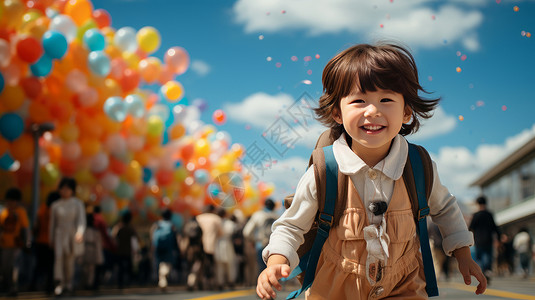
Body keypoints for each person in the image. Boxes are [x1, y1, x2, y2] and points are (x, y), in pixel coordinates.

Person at [257, 43, 487, 299]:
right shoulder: (325, 170)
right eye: (358, 100)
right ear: (337, 113)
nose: (373, 111)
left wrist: (463, 254)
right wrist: (276, 261)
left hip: (404, 284)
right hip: (335, 289)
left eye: (386, 99)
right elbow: (291, 226)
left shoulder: (418, 166)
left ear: (406, 112)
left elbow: (444, 209)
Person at [49, 177, 86, 296]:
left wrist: (79, 233)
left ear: (72, 190)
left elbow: (81, 221)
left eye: (67, 189)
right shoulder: (55, 205)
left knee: (69, 261)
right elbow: (52, 224)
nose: (65, 191)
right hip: (59, 235)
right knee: (58, 259)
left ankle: (68, 283)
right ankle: (59, 284)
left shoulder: (77, 204)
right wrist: (51, 239)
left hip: (72, 235)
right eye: (63, 188)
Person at [0, 187, 31, 297]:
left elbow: (25, 228)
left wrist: (27, 241)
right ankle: (6, 286)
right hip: (4, 244)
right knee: (5, 267)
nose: (9, 203)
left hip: (16, 244)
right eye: (8, 200)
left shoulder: (20, 212)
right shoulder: (4, 212)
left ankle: (13, 287)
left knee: (14, 266)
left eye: (12, 200)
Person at [30, 191, 60, 294]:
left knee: (39, 265)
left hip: (40, 241)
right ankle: (49, 286)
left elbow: (36, 224)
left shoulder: (42, 208)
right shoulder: (55, 209)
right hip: (51, 242)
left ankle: (33, 285)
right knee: (51, 266)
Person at [243, 198, 278, 275]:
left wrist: (253, 241)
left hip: (261, 244)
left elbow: (247, 232)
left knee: (262, 268)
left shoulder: (258, 215)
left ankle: (263, 285)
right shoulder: (277, 216)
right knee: (273, 268)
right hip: (275, 245)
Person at [469, 195, 500, 282]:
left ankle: (483, 272)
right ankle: (487, 271)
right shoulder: (489, 214)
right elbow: (495, 227)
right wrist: (499, 238)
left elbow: (470, 228)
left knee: (479, 257)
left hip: (478, 240)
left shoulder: (475, 215)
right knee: (488, 257)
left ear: (478, 204)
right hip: (488, 240)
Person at [151, 209, 179, 291]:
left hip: (158, 247)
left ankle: (162, 281)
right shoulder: (171, 225)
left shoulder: (157, 224)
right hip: (168, 248)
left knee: (160, 264)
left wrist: (152, 247)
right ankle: (163, 282)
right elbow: (176, 238)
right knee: (167, 265)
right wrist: (177, 249)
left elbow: (153, 236)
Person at [196, 205, 222, 290]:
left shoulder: (198, 218)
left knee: (198, 263)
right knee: (210, 264)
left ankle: (194, 281)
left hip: (197, 245)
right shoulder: (216, 218)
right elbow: (221, 233)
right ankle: (209, 282)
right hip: (210, 245)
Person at [111, 210, 138, 289]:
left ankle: (121, 283)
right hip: (128, 252)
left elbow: (113, 238)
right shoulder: (130, 228)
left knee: (121, 268)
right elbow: (134, 240)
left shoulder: (118, 227)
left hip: (119, 251)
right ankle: (128, 282)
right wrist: (135, 250)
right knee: (129, 268)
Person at [214, 208, 237, 290]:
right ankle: (231, 281)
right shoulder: (229, 223)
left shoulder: (215, 222)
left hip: (217, 244)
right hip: (227, 243)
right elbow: (232, 231)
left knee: (219, 265)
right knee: (230, 264)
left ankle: (220, 282)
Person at [81, 213, 103, 289]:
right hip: (90, 250)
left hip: (87, 250)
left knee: (88, 269)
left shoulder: (85, 230)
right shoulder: (93, 231)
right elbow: (98, 244)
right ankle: (87, 284)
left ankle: (88, 284)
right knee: (89, 270)